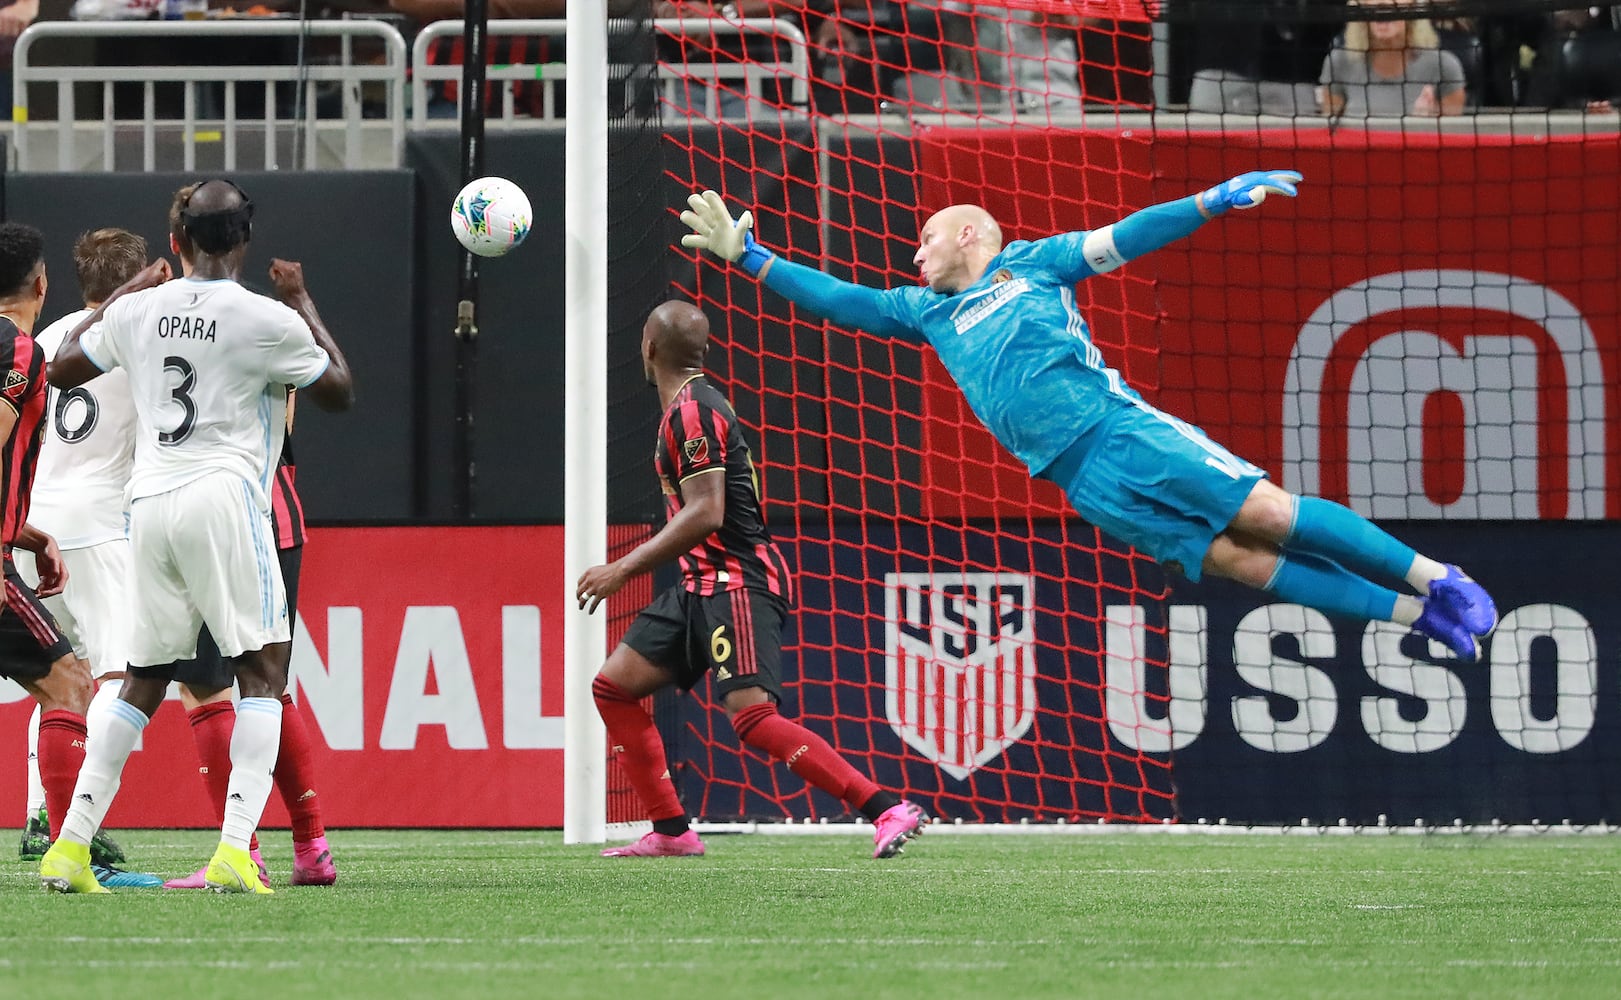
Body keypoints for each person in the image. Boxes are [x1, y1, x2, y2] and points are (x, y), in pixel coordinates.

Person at [676, 177, 1499, 662]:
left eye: (926, 239)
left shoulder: (1035, 265)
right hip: (1080, 482)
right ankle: (1413, 616)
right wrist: (749, 258)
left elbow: (1129, 237)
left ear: (969, 235)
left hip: (1119, 433)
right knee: (1243, 565)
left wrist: (1209, 202)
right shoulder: (920, 312)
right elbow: (840, 302)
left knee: (1268, 515)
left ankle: (1440, 578)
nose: (914, 255)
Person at [39, 178, 354, 894]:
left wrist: (123, 296)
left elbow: (60, 371)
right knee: (262, 675)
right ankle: (237, 849)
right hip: (224, 497)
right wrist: (302, 301)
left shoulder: (141, 311)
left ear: (175, 243)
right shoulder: (262, 317)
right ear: (244, 240)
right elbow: (338, 388)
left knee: (143, 678)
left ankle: (71, 845)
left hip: (146, 503)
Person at [577, 300, 927, 859]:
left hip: (736, 579)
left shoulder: (693, 411)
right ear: (704, 350)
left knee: (753, 717)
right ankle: (671, 831)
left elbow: (707, 512)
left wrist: (622, 568)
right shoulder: (686, 409)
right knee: (614, 687)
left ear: (646, 348)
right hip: (698, 585)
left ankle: (885, 807)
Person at [13, 227, 162, 889]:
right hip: (98, 526)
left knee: (55, 679)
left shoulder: (48, 338)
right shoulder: (143, 340)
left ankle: (40, 813)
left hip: (31, 520)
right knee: (117, 676)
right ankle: (81, 821)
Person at [161, 411, 339, 890]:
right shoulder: (284, 332)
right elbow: (289, 415)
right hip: (276, 509)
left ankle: (242, 852)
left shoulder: (175, 334)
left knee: (204, 688)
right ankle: (312, 847)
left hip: (209, 513)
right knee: (267, 683)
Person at [0, 223, 100, 886]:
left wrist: (29, 534)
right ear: (42, 284)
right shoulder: (20, 349)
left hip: (12, 543)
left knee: (61, 681)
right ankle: (68, 855)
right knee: (71, 683)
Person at [1318, 0, 1467, 117]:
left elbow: (1454, 144)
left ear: (1413, 6)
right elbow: (1331, 141)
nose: (1384, 2)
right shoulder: (1339, 62)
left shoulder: (1444, 65)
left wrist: (1426, 127)